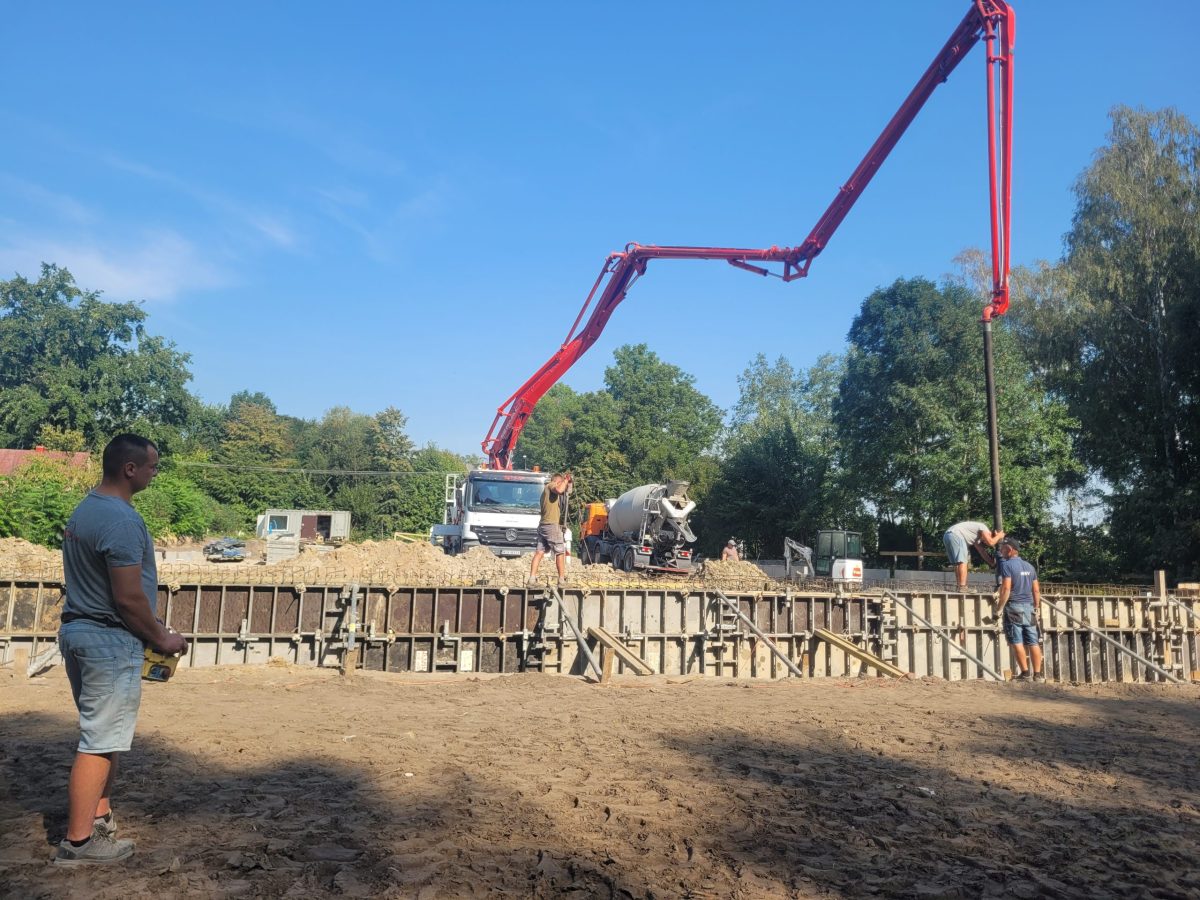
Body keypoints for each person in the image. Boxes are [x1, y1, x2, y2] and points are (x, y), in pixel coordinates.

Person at [54, 434, 188, 866]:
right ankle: (78, 844)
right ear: (130, 469)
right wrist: (162, 637)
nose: (155, 472)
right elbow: (128, 599)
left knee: (105, 734)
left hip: (81, 631)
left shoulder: (87, 508)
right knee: (98, 741)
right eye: (152, 466)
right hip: (107, 640)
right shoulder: (121, 521)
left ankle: (99, 818)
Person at [995, 537, 1045, 682]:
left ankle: (1025, 673)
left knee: (1016, 640)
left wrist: (999, 609)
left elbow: (1006, 588)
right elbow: (1036, 590)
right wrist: (1036, 607)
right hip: (1029, 607)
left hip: (1013, 607)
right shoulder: (1029, 566)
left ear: (1010, 550)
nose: (1001, 551)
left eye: (1003, 549)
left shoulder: (1007, 565)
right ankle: (1038, 675)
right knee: (1033, 641)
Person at [527, 472, 572, 588]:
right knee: (560, 551)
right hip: (551, 525)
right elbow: (560, 490)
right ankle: (561, 580)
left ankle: (532, 579)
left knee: (539, 552)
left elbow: (566, 492)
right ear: (557, 481)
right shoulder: (550, 485)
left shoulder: (546, 492)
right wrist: (565, 480)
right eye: (560, 482)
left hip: (543, 525)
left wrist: (569, 483)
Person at [941, 520, 1005, 590]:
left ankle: (959, 586)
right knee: (963, 562)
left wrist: (992, 563)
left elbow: (982, 551)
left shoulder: (976, 537)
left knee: (957, 563)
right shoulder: (983, 528)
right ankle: (962, 587)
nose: (984, 542)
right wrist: (999, 536)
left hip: (947, 535)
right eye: (985, 541)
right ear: (990, 534)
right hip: (957, 535)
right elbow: (991, 542)